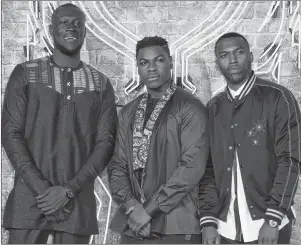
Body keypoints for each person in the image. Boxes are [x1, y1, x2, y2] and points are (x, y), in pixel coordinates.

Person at [2, 3, 117, 244]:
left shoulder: (101, 83)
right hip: (29, 200)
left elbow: (106, 143)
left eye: (77, 24)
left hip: (77, 201)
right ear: (52, 29)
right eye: (63, 22)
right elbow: (10, 134)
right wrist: (44, 191)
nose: (71, 28)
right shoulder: (24, 73)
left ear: (85, 32)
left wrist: (67, 190)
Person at [107, 36, 211, 244]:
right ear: (138, 67)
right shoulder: (128, 111)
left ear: (171, 62)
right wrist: (132, 207)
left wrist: (149, 210)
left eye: (159, 60)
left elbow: (191, 168)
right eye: (144, 63)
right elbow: (117, 165)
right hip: (134, 226)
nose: (151, 68)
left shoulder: (191, 107)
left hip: (177, 226)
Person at [200, 32, 301, 244]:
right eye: (224, 55)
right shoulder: (213, 108)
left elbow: (290, 160)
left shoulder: (278, 97)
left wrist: (273, 218)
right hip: (226, 227)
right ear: (217, 62)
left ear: (251, 56)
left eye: (239, 52)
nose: (233, 60)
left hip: (268, 223)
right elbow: (208, 169)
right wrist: (208, 221)